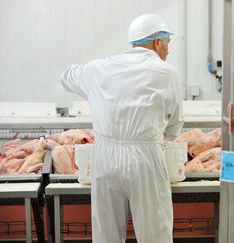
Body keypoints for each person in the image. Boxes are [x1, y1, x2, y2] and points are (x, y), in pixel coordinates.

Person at [60, 13, 184, 243]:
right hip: (145, 158)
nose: (168, 49)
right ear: (157, 42)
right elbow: (174, 126)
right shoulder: (167, 73)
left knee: (106, 234)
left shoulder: (99, 68)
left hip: (105, 157)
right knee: (155, 233)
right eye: (168, 43)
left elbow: (66, 75)